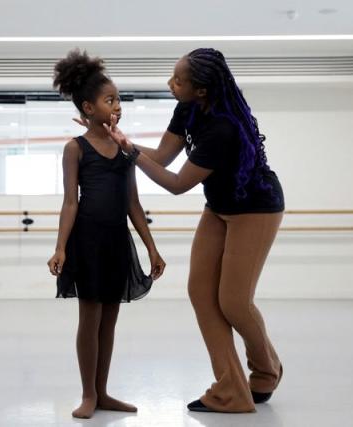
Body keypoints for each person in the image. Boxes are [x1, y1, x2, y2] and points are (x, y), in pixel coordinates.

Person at [102, 48, 285, 413]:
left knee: (234, 302)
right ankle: (230, 387)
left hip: (255, 206)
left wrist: (129, 153)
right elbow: (163, 157)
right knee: (201, 291)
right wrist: (123, 142)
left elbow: (176, 183)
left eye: (178, 80)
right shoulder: (187, 108)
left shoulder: (222, 128)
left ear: (201, 90)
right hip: (220, 205)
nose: (171, 84)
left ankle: (266, 370)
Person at [46, 49, 166, 419]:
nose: (117, 105)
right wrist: (60, 247)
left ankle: (103, 391)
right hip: (87, 242)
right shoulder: (74, 149)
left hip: (117, 242)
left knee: (110, 319)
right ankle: (87, 394)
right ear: (88, 107)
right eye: (109, 99)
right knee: (90, 317)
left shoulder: (124, 149)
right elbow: (70, 203)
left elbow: (133, 203)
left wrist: (152, 249)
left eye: (118, 99)